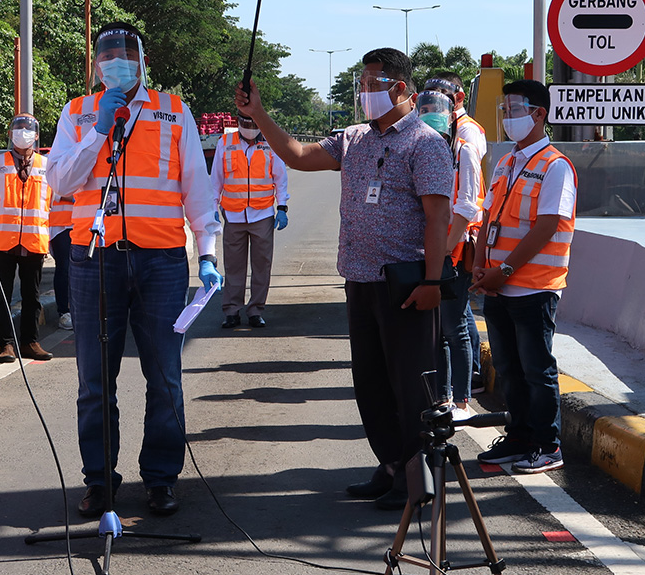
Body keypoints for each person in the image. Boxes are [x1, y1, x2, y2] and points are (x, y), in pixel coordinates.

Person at [236, 47, 452, 511]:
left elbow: (438, 218)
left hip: (407, 284)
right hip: (359, 280)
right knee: (370, 382)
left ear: (400, 88)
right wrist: (259, 113)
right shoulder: (354, 139)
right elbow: (296, 155)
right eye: (360, 83)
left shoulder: (425, 143)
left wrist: (433, 283)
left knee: (410, 385)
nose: (363, 92)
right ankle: (391, 465)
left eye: (371, 83)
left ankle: (420, 481)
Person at [47, 22, 222, 518]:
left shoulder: (173, 110)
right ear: (97, 64)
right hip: (95, 259)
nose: (118, 62)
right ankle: (100, 482)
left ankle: (161, 478)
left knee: (164, 374)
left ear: (142, 61)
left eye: (127, 53)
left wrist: (206, 251)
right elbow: (60, 180)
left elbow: (197, 186)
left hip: (161, 260)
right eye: (109, 54)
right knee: (94, 380)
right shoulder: (79, 112)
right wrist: (99, 130)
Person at [470, 80, 577, 475]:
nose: (507, 116)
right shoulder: (506, 163)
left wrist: (506, 271)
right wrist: (481, 263)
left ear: (538, 114)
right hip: (497, 284)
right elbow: (487, 219)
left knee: (537, 369)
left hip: (534, 287)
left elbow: (547, 225)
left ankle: (547, 444)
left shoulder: (555, 166)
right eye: (505, 109)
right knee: (509, 367)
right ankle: (518, 436)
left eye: (514, 108)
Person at [423, 73, 486, 419]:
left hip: (455, 248)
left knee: (454, 326)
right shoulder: (426, 145)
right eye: (427, 104)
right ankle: (442, 396)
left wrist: (446, 246)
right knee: (438, 328)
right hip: (432, 248)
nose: (432, 110)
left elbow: (468, 203)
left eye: (439, 105)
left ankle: (461, 399)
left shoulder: (464, 146)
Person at [210, 113, 289, 328]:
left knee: (262, 264)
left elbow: (280, 178)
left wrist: (282, 207)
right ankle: (232, 311)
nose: (250, 128)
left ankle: (255, 310)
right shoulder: (225, 143)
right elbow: (216, 177)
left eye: (254, 124)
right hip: (233, 214)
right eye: (246, 124)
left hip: (262, 214)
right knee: (234, 266)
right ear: (238, 123)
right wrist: (212, 205)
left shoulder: (271, 144)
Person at [0, 115, 54, 362]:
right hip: (2, 239)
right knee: (2, 294)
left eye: (28, 129)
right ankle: (6, 344)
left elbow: (52, 204)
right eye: (18, 128)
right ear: (10, 133)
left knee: (32, 296)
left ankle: (30, 341)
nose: (22, 132)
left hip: (34, 240)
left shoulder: (47, 165)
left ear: (36, 135)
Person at [48, 192, 75, 331]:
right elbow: (53, 189)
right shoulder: (55, 168)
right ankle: (64, 312)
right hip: (62, 225)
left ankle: (78, 311)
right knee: (64, 267)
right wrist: (76, 197)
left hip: (84, 222)